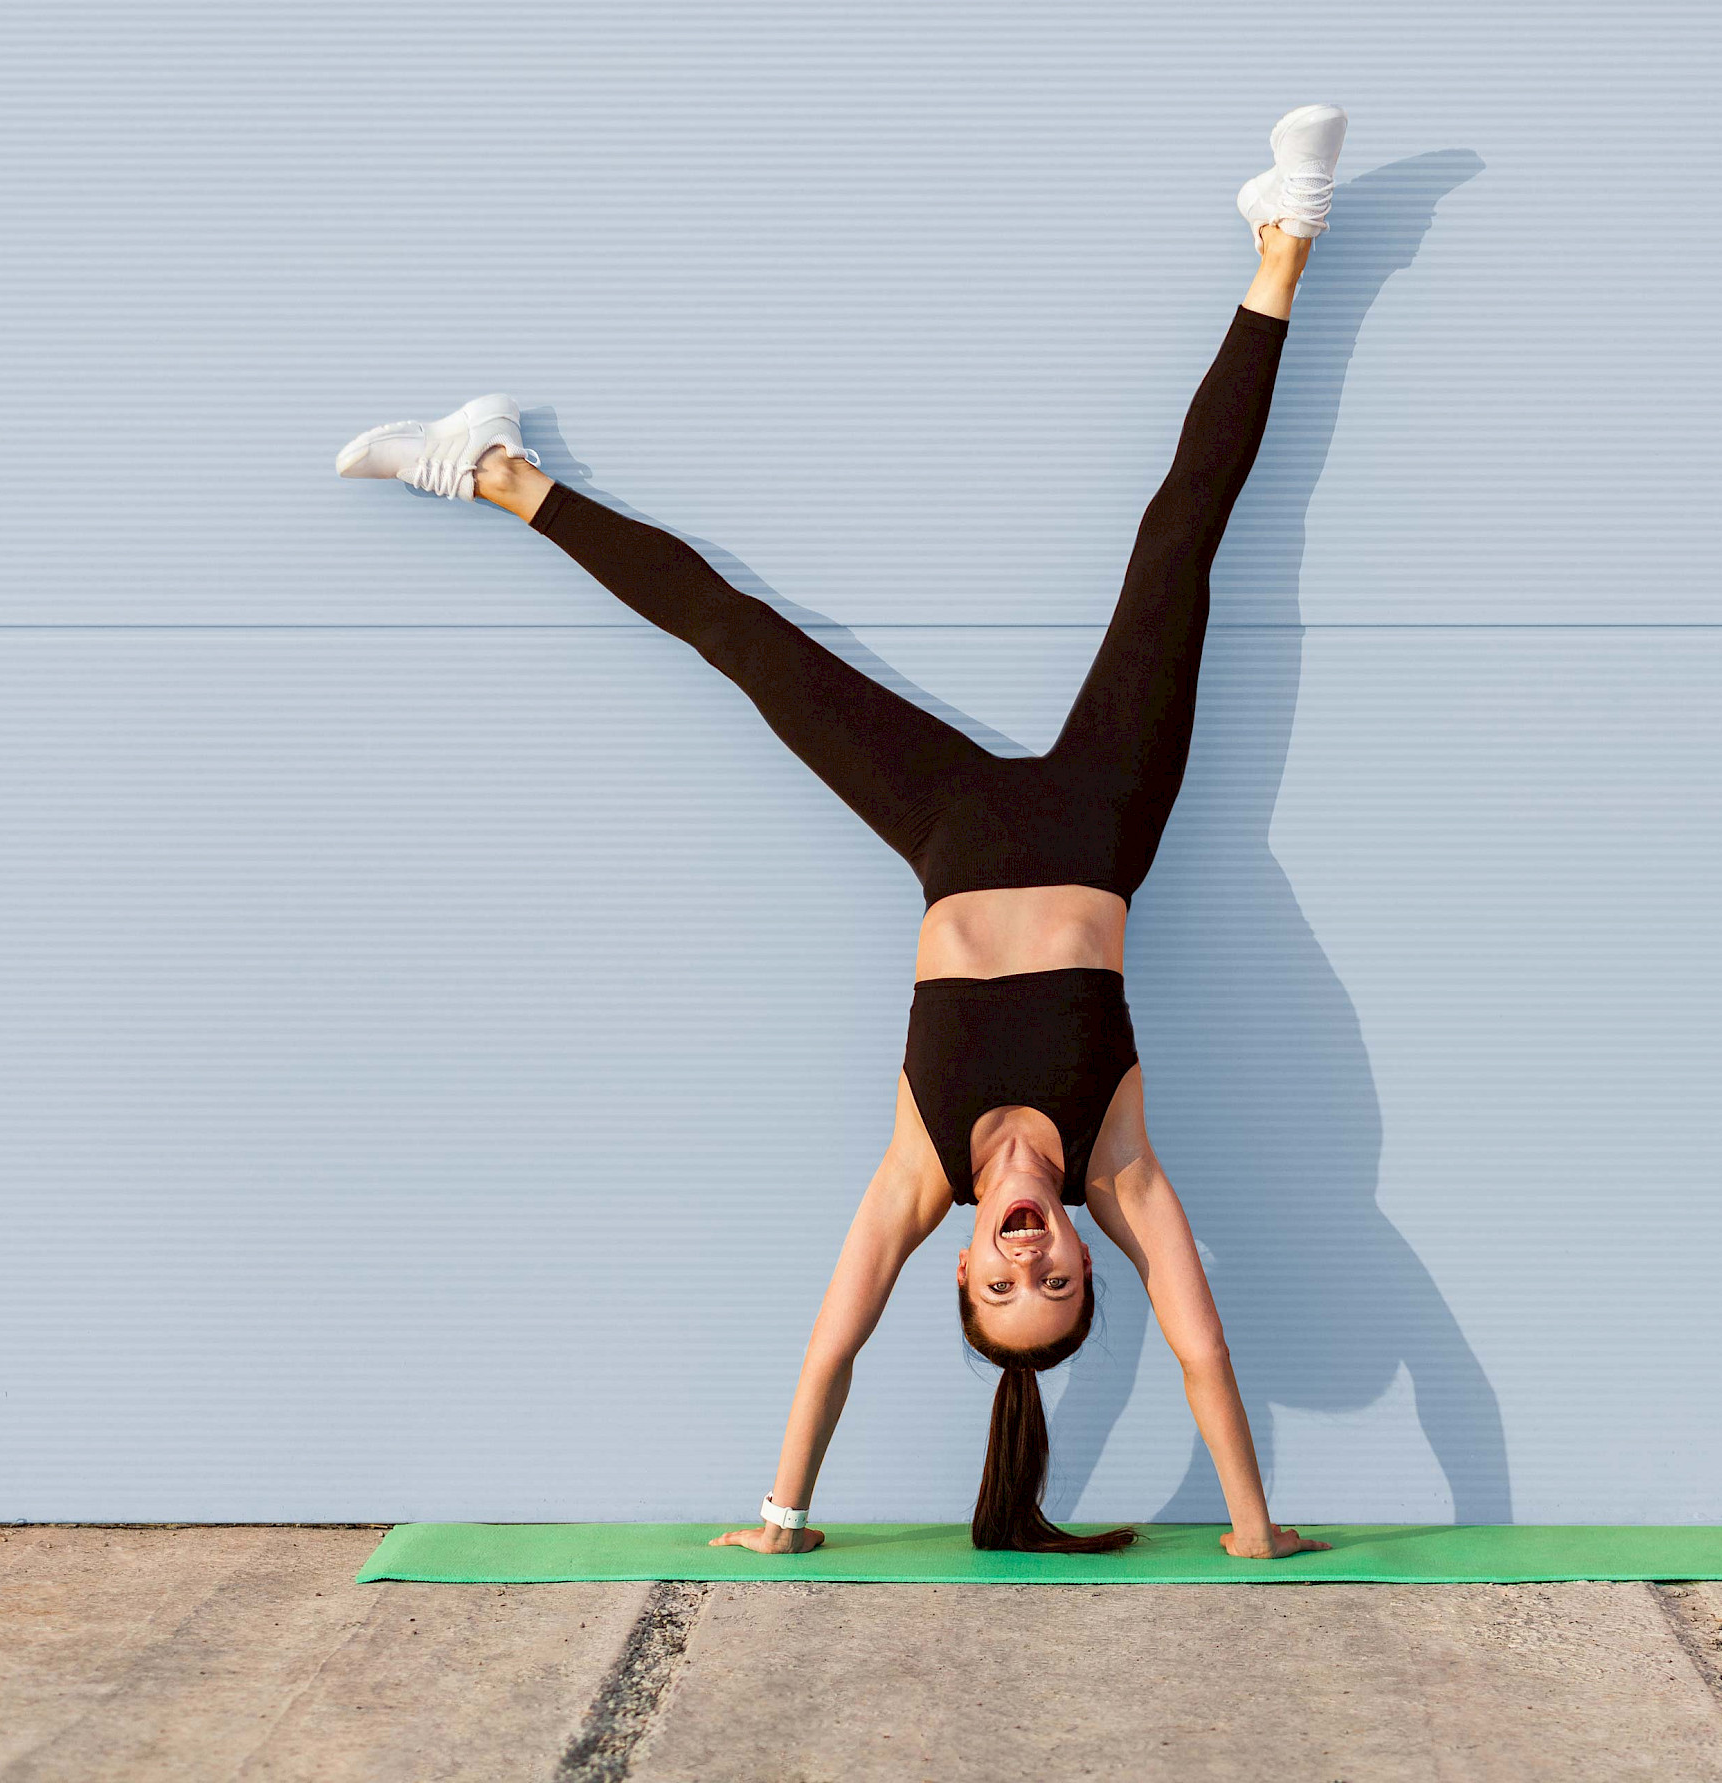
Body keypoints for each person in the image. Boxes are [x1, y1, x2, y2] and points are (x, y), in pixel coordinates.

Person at [337, 105, 1351, 1559]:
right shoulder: (1119, 1168)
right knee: (1180, 537)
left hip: (946, 831)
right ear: (1080, 1260)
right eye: (1057, 1286)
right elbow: (1202, 1352)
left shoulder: (915, 1172)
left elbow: (828, 1353)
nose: (1031, 1265)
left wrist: (781, 1517)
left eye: (1002, 1292)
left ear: (955, 1272)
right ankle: (1284, 245)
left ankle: (495, 472)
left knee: (739, 643)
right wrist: (1252, 1527)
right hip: (1101, 818)